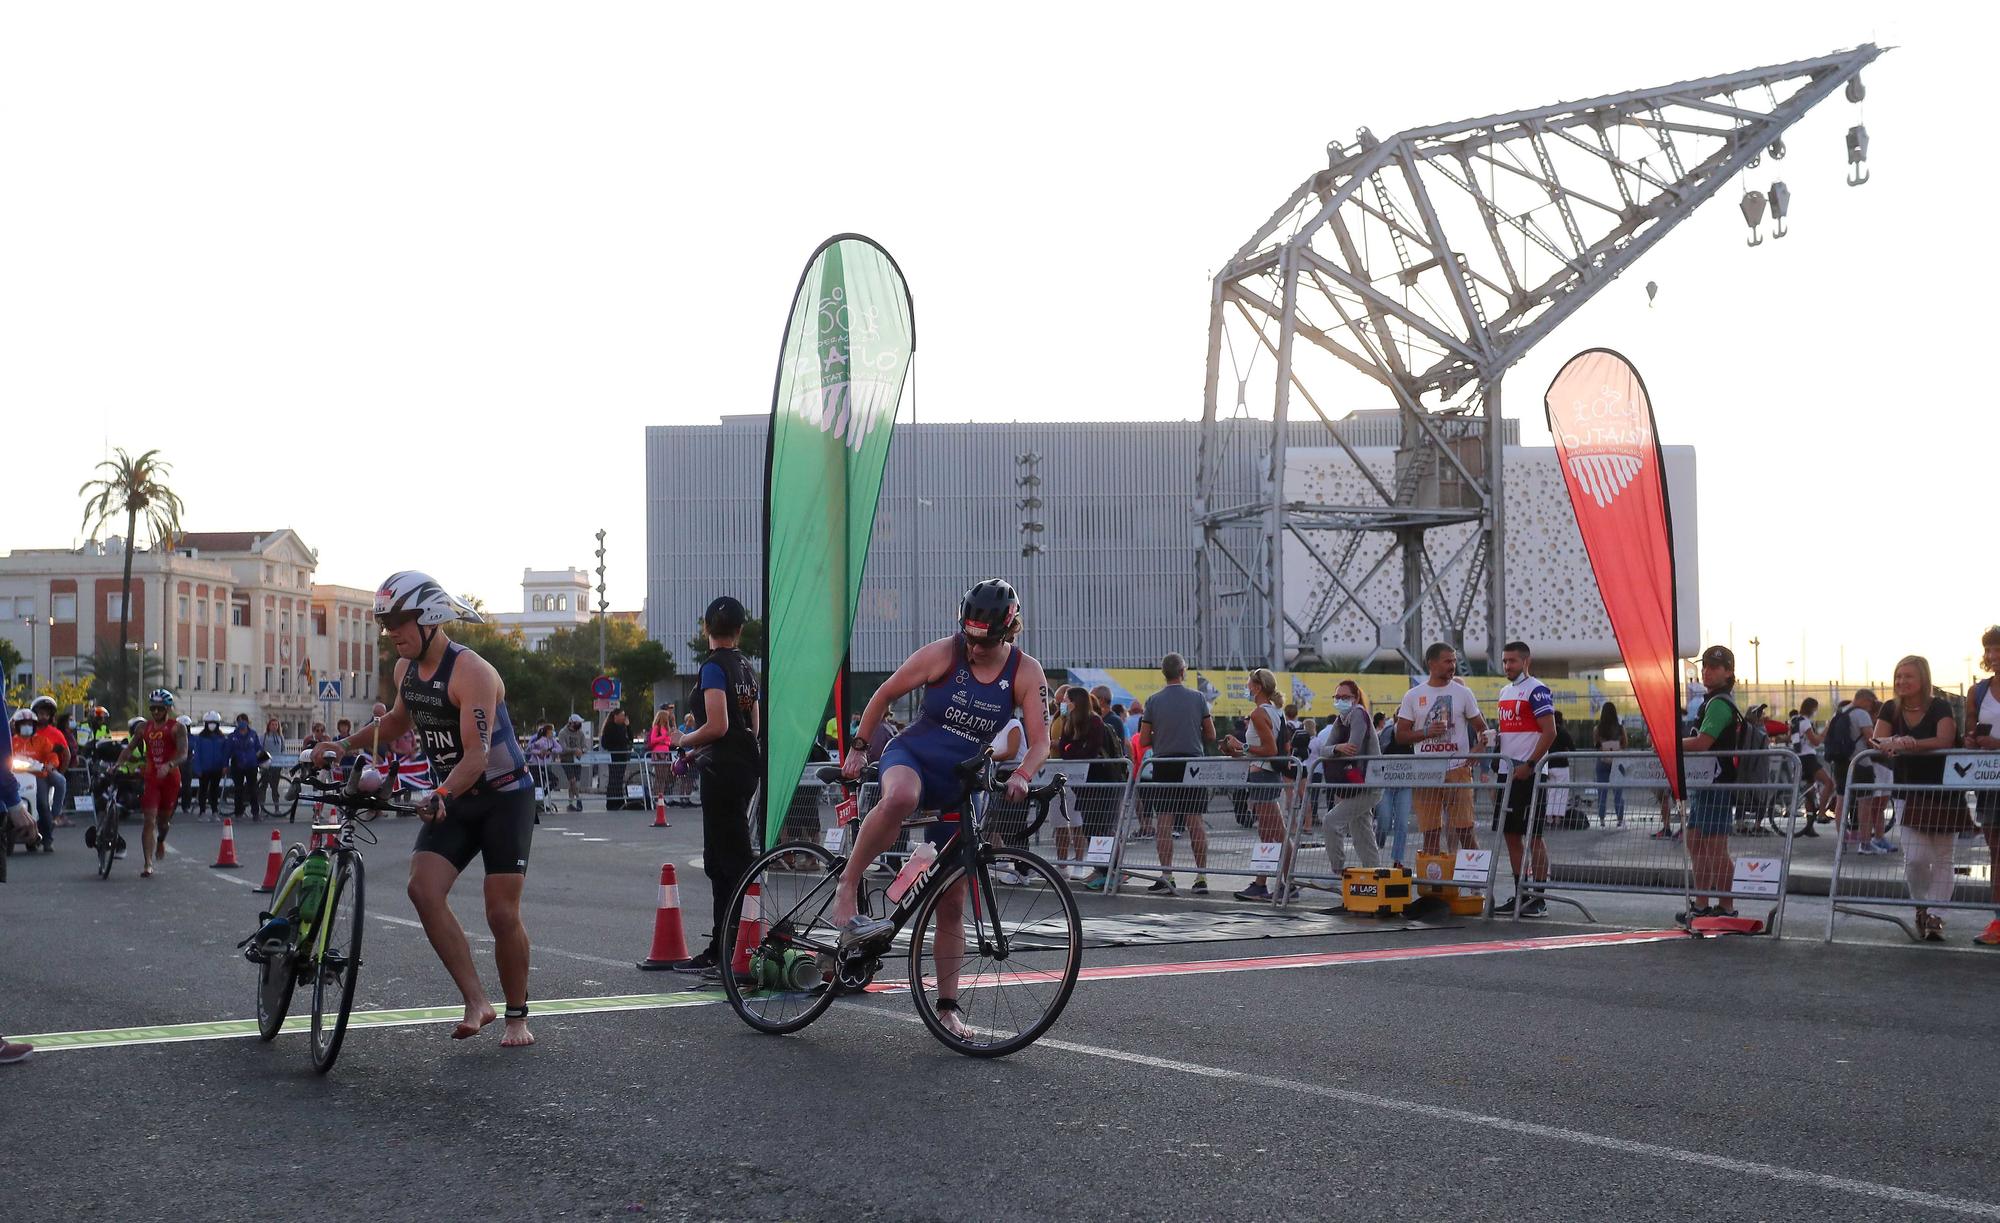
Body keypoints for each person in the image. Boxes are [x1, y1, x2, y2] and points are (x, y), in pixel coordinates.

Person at [305, 571, 537, 1047]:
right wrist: (342, 746)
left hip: (502, 798)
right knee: (423, 889)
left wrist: (440, 796)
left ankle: (518, 1015)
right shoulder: (404, 671)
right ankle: (477, 1001)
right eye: (386, 624)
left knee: (500, 913)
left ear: (430, 618)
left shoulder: (472, 672)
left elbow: (476, 756)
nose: (392, 633)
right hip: (451, 797)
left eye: (400, 622)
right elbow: (395, 721)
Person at [831, 580, 1051, 1033]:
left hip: (960, 782)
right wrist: (857, 748)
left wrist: (1024, 775)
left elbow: (1041, 740)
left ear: (1008, 632)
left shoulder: (1026, 672)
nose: (972, 649)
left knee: (952, 900)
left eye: (983, 642)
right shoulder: (943, 652)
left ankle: (948, 1008)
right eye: (967, 637)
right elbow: (885, 694)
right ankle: (848, 884)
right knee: (901, 797)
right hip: (911, 758)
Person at [666, 597, 763, 980]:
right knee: (728, 858)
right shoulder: (746, 667)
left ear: (705, 627)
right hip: (744, 767)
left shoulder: (713, 668)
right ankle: (724, 945)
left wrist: (682, 740)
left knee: (725, 863)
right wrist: (698, 751)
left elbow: (719, 724)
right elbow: (751, 728)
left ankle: (731, 949)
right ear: (740, 630)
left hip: (722, 772)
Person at [1871, 655, 1962, 941]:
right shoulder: (1890, 708)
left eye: (1908, 676)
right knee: (1916, 858)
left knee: (1944, 857)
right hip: (1907, 791)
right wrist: (1892, 745)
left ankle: (1937, 915)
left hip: (1944, 791)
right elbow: (1876, 741)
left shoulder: (1940, 706)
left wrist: (1912, 744)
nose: (1901, 681)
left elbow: (1944, 740)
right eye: (1898, 676)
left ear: (1923, 678)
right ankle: (1920, 904)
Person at [1395, 643, 1489, 857]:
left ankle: (1478, 884)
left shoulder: (1463, 693)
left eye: (1454, 661)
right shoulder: (1412, 695)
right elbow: (1400, 735)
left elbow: (1484, 729)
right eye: (1448, 661)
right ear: (1432, 663)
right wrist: (1426, 732)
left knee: (1465, 830)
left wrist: (1479, 748)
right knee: (1430, 833)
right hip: (1425, 772)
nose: (1453, 665)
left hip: (1457, 770)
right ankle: (1433, 885)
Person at [1679, 645, 1745, 924]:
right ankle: (1703, 902)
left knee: (1715, 846)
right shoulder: (1712, 701)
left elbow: (1703, 742)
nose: (1707, 671)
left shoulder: (1719, 703)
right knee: (1696, 841)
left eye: (1715, 667)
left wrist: (1668, 744)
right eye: (1704, 665)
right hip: (1706, 782)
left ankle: (1725, 906)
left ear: (1728, 672)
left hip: (1716, 783)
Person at [1141, 652, 1215, 896]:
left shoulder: (1152, 700)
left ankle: (1167, 875)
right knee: (1195, 821)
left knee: (1164, 820)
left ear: (1164, 673)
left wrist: (1162, 735)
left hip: (1164, 762)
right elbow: (1211, 734)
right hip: (1193, 763)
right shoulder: (1198, 698)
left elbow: (1143, 739)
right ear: (1183, 671)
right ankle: (1201, 876)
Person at [1493, 642, 1556, 917]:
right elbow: (1510, 732)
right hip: (1507, 772)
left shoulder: (1537, 689)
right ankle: (1521, 892)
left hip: (1529, 773)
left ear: (1526, 661)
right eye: (1505, 661)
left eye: (1512, 661)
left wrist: (1530, 765)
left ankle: (1538, 897)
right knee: (1510, 834)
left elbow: (1549, 731)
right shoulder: (1505, 692)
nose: (1507, 666)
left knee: (1534, 836)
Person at [1229, 668, 1293, 902]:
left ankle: (1266, 883)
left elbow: (1269, 750)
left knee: (1272, 833)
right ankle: (1279, 882)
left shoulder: (1259, 713)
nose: (1246, 686)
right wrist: (1238, 750)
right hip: (1265, 774)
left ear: (1257, 687)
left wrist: (1241, 746)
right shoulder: (1275, 712)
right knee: (1273, 832)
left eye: (1249, 682)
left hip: (1263, 775)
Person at [114, 690, 189, 877]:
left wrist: (170, 764)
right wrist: (117, 764)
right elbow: (129, 749)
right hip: (152, 778)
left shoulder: (177, 728)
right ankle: (147, 863)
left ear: (167, 709)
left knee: (163, 822)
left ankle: (161, 840)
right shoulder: (144, 728)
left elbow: (183, 753)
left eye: (160, 709)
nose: (155, 712)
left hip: (171, 779)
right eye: (153, 708)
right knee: (149, 820)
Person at [1311, 679, 1381, 877]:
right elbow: (1324, 750)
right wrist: (1337, 748)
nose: (1340, 700)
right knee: (1363, 835)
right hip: (1357, 784)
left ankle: (1338, 872)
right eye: (1337, 697)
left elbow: (1353, 748)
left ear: (1356, 697)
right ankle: (1375, 876)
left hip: (1368, 784)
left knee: (1331, 821)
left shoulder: (1358, 713)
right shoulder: (1341, 719)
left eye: (1345, 697)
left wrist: (1336, 749)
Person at [1964, 627, 2000, 947]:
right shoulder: (1977, 692)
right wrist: (1972, 740)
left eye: (1998, 648)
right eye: (1989, 649)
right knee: (1997, 852)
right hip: (1990, 781)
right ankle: (1998, 921)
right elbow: (1968, 732)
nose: (1993, 655)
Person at [1847, 689, 1895, 853]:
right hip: (1875, 764)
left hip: (1885, 765)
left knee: (1880, 804)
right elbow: (1871, 741)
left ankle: (1878, 837)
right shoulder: (1864, 718)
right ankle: (1868, 840)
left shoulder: (1864, 716)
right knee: (1872, 804)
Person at [1790, 697, 1831, 834]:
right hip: (1808, 758)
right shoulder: (1806, 722)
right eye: (1816, 708)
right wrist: (1826, 730)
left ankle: (1809, 827)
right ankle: (1822, 813)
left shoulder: (1796, 720)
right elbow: (1815, 742)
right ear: (1812, 708)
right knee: (1829, 783)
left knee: (1810, 791)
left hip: (1800, 757)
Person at [1593, 702, 1627, 827]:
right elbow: (1625, 744)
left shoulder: (1597, 729)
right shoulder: (1620, 728)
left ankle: (1601, 820)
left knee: (1602, 792)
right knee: (1618, 792)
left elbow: (1596, 744)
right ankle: (1620, 819)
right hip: (1617, 761)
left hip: (1602, 761)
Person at [189, 711, 228, 818]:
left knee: (214, 791)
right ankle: (202, 811)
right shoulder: (200, 738)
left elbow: (225, 754)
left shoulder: (222, 738)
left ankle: (215, 811)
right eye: (210, 722)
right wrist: (198, 769)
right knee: (203, 790)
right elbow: (196, 755)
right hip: (204, 769)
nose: (212, 724)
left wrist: (225, 766)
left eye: (214, 722)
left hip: (217, 769)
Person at [226, 713, 263, 819]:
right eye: (240, 721)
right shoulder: (232, 736)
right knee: (238, 789)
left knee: (253, 789)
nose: (242, 723)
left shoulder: (253, 734)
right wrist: (225, 765)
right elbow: (227, 751)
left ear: (247, 722)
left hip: (251, 765)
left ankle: (255, 812)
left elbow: (258, 748)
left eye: (243, 721)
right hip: (237, 765)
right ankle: (238, 812)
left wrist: (261, 759)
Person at [602, 707, 634, 810]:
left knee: (620, 779)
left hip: (623, 755)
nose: (623, 718)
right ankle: (612, 802)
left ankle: (619, 801)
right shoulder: (610, 727)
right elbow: (607, 742)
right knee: (614, 778)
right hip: (615, 755)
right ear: (616, 716)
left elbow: (630, 738)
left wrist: (628, 727)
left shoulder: (623, 726)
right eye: (622, 715)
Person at [258, 717, 289, 817]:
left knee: (275, 788)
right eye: (272, 724)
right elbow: (259, 749)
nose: (274, 726)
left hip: (277, 766)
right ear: (269, 726)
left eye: (276, 725)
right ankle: (262, 809)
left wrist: (282, 760)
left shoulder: (280, 737)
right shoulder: (264, 736)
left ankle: (277, 808)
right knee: (263, 786)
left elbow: (283, 749)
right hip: (266, 766)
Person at [647, 705, 676, 807]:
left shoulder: (666, 728)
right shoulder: (657, 728)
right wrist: (664, 737)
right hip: (658, 753)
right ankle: (656, 798)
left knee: (664, 777)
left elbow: (669, 741)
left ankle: (661, 798)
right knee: (659, 777)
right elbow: (653, 740)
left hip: (666, 752)